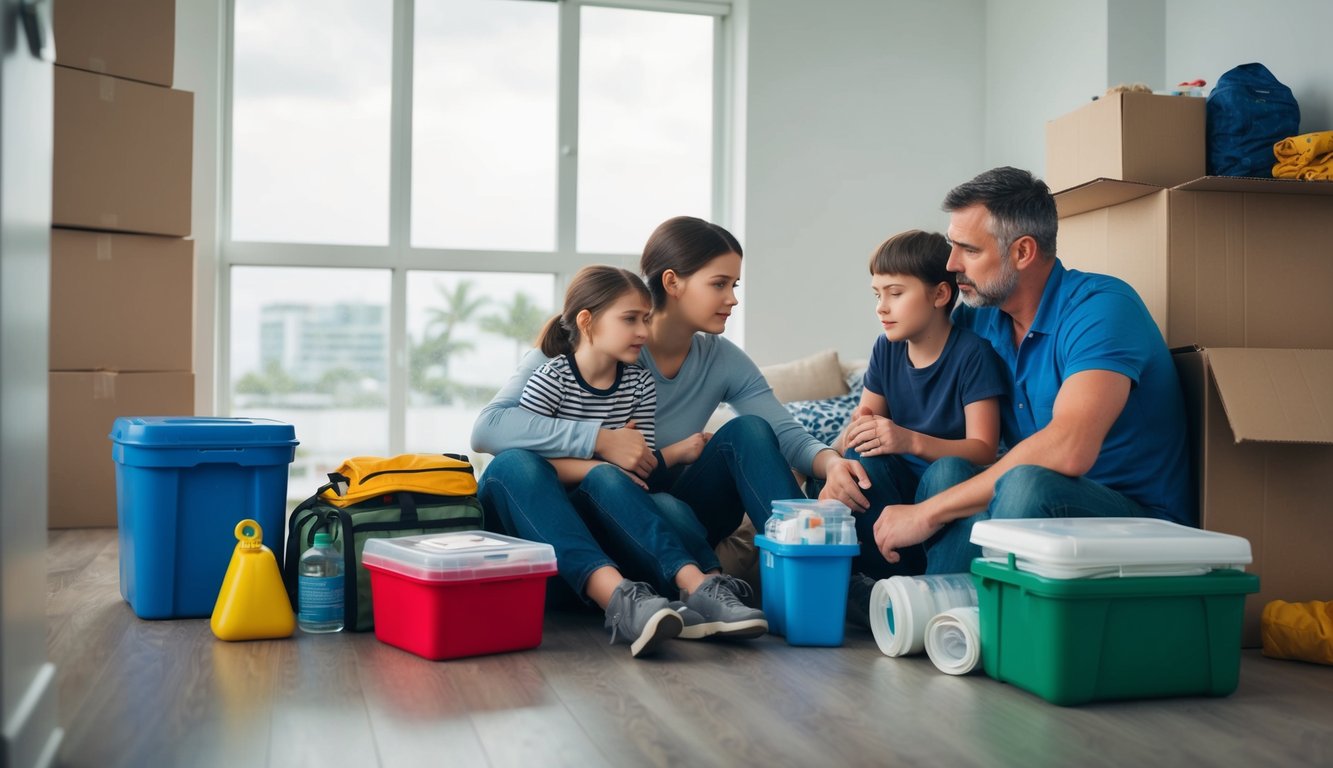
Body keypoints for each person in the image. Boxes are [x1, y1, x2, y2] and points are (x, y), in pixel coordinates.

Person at [472, 216, 872, 652]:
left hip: (650, 502)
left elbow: (783, 432)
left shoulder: (720, 360)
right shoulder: (585, 346)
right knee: (639, 500)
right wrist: (599, 441)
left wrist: (831, 462)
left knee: (747, 434)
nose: (732, 299)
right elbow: (489, 428)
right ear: (673, 282)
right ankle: (646, 589)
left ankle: (834, 584)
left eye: (734, 285)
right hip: (576, 512)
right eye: (720, 284)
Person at [867, 166, 1194, 574]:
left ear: (1022, 252)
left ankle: (940, 607)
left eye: (969, 250)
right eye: (952, 246)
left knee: (1026, 482)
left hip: (1133, 521)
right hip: (1025, 511)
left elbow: (1068, 449)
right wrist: (838, 459)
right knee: (944, 468)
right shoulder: (980, 320)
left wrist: (929, 512)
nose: (951, 264)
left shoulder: (1102, 309)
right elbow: (905, 381)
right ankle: (904, 592)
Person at [825, 230, 1008, 584]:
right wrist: (846, 444)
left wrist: (909, 441)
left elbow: (985, 450)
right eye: (877, 294)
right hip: (895, 496)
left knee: (949, 470)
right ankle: (879, 584)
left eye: (895, 293)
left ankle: (934, 589)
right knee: (860, 461)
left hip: (942, 495)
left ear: (940, 294)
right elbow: (865, 422)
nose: (881, 306)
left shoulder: (973, 354)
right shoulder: (886, 348)